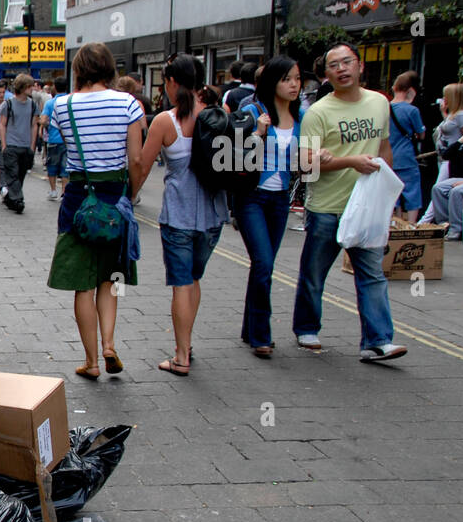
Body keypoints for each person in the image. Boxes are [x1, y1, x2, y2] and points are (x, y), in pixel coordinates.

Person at [292, 42, 407, 362]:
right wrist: (349, 161)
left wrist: (389, 193)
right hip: (328, 206)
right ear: (326, 73)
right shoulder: (318, 112)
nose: (342, 69)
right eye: (334, 65)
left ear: (360, 66)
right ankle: (306, 327)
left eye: (347, 62)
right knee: (314, 273)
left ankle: (377, 340)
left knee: (372, 274)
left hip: (368, 207)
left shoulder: (379, 103)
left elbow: (384, 149)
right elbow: (305, 164)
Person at [47, 43, 145, 379]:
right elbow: (135, 159)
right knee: (111, 279)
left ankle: (90, 362)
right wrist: (132, 193)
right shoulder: (129, 104)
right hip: (115, 196)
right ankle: (109, 344)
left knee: (82, 285)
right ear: (109, 68)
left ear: (79, 70)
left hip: (78, 200)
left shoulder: (63, 105)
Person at [132, 55, 227, 375]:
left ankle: (182, 355)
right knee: (194, 280)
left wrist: (129, 197)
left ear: (171, 83)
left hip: (178, 216)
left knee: (181, 284)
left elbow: (142, 167)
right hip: (213, 216)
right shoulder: (218, 116)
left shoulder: (164, 121)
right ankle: (186, 343)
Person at [236, 56, 302, 358]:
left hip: (280, 200)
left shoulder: (301, 117)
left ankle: (250, 329)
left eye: (297, 79)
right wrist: (257, 134)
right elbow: (232, 155)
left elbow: (302, 165)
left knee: (264, 267)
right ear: (272, 82)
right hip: (252, 197)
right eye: (287, 79)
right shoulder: (252, 111)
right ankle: (262, 335)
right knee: (263, 264)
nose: (293, 85)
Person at [417, 82, 463, 238]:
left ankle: (453, 228)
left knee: (455, 190)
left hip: (452, 159)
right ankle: (443, 223)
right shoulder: (455, 114)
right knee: (438, 188)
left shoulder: (462, 116)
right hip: (446, 156)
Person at [0, 73, 40, 214]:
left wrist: (32, 146)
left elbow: (34, 125)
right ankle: (18, 200)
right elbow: (2, 124)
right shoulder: (8, 104)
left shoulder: (33, 105)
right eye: (29, 86)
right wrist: (4, 145)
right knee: (13, 174)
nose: (32, 89)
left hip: (26, 146)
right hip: (11, 145)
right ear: (22, 87)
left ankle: (11, 198)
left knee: (21, 174)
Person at [389, 71, 427, 222]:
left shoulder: (385, 108)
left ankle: (396, 222)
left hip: (389, 157)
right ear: (411, 90)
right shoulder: (412, 110)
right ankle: (411, 225)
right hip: (406, 157)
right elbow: (421, 134)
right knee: (412, 191)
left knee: (393, 192)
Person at [39, 76, 70, 200]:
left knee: (52, 165)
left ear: (55, 88)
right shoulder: (70, 100)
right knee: (65, 167)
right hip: (68, 140)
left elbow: (43, 120)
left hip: (53, 139)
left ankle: (53, 191)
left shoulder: (50, 103)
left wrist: (46, 127)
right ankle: (64, 191)